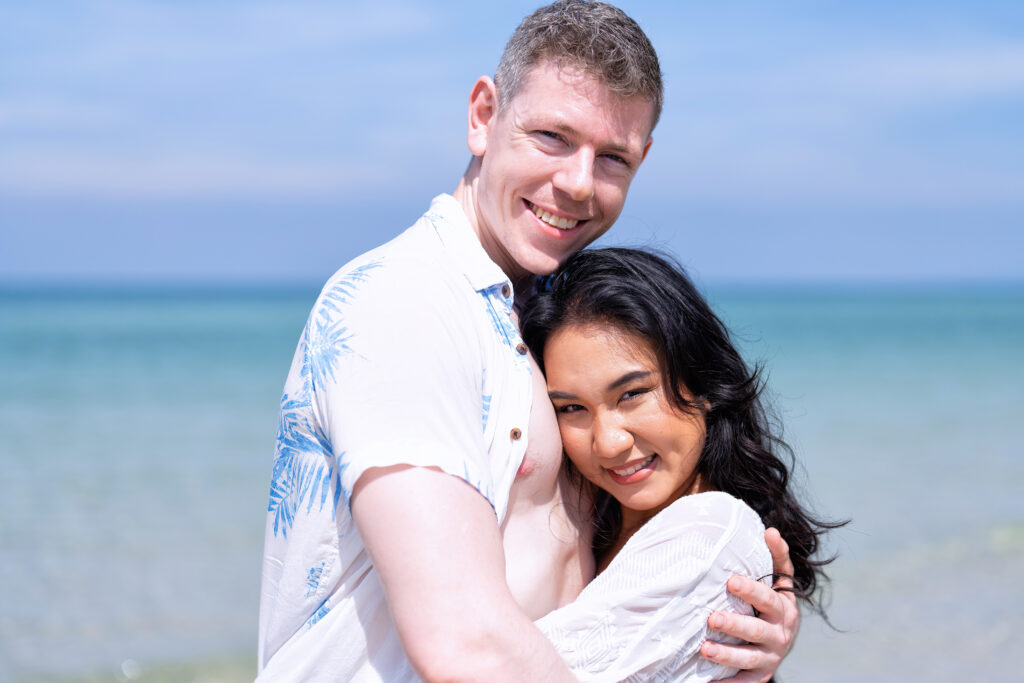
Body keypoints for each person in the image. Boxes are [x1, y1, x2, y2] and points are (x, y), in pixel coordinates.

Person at [257, 2, 799, 680]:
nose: (576, 182)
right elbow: (462, 641)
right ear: (484, 115)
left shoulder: (529, 318)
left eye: (611, 158)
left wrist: (728, 623)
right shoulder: (409, 300)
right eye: (551, 136)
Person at [521, 247, 844, 680]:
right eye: (571, 408)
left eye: (632, 394)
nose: (609, 443)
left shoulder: (710, 535)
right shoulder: (593, 512)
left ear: (704, 384)